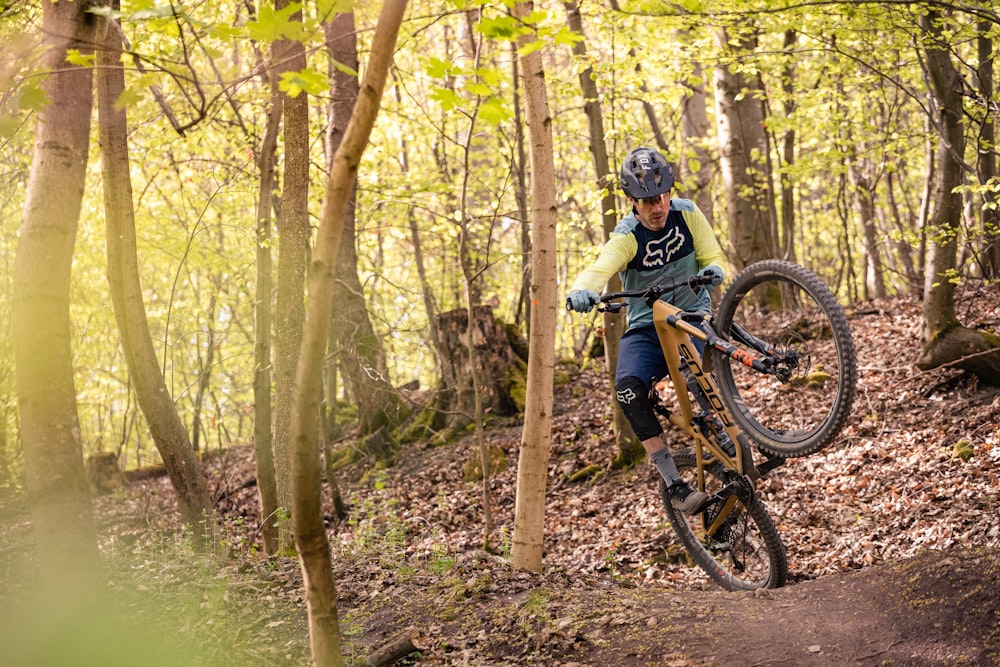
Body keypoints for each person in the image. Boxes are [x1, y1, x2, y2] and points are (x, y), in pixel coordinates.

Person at [566, 146, 726, 514]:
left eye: (661, 197)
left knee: (691, 370)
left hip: (691, 318)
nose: (657, 207)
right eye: (647, 200)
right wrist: (582, 289)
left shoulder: (686, 214)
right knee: (627, 391)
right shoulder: (627, 235)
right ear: (632, 201)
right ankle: (674, 484)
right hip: (645, 329)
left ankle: (717, 425)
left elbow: (712, 256)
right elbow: (601, 266)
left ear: (669, 191)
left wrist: (716, 271)